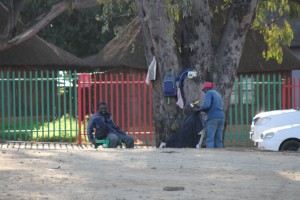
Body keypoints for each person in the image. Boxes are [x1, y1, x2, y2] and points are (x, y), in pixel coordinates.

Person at [194, 82, 225, 148]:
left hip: (213, 117)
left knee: (210, 139)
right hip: (221, 117)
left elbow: (207, 105)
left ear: (206, 89)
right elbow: (214, 106)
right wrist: (203, 108)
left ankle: (210, 155)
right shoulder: (218, 94)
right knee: (218, 139)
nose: (204, 92)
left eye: (204, 91)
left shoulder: (209, 93)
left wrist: (199, 108)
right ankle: (219, 156)